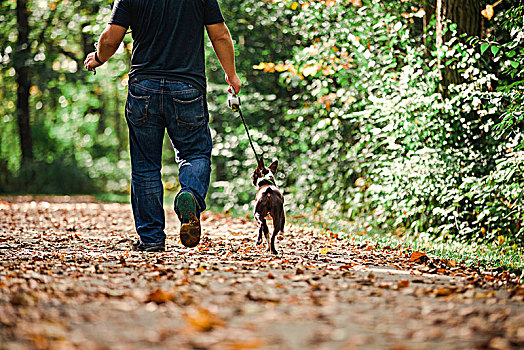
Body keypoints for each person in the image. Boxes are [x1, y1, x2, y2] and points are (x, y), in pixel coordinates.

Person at [84, 0, 242, 252]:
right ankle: (190, 193)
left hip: (143, 88)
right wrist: (231, 75)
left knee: (145, 165)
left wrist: (98, 58)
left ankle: (152, 239)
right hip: (188, 87)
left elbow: (111, 38)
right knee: (195, 153)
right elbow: (220, 35)